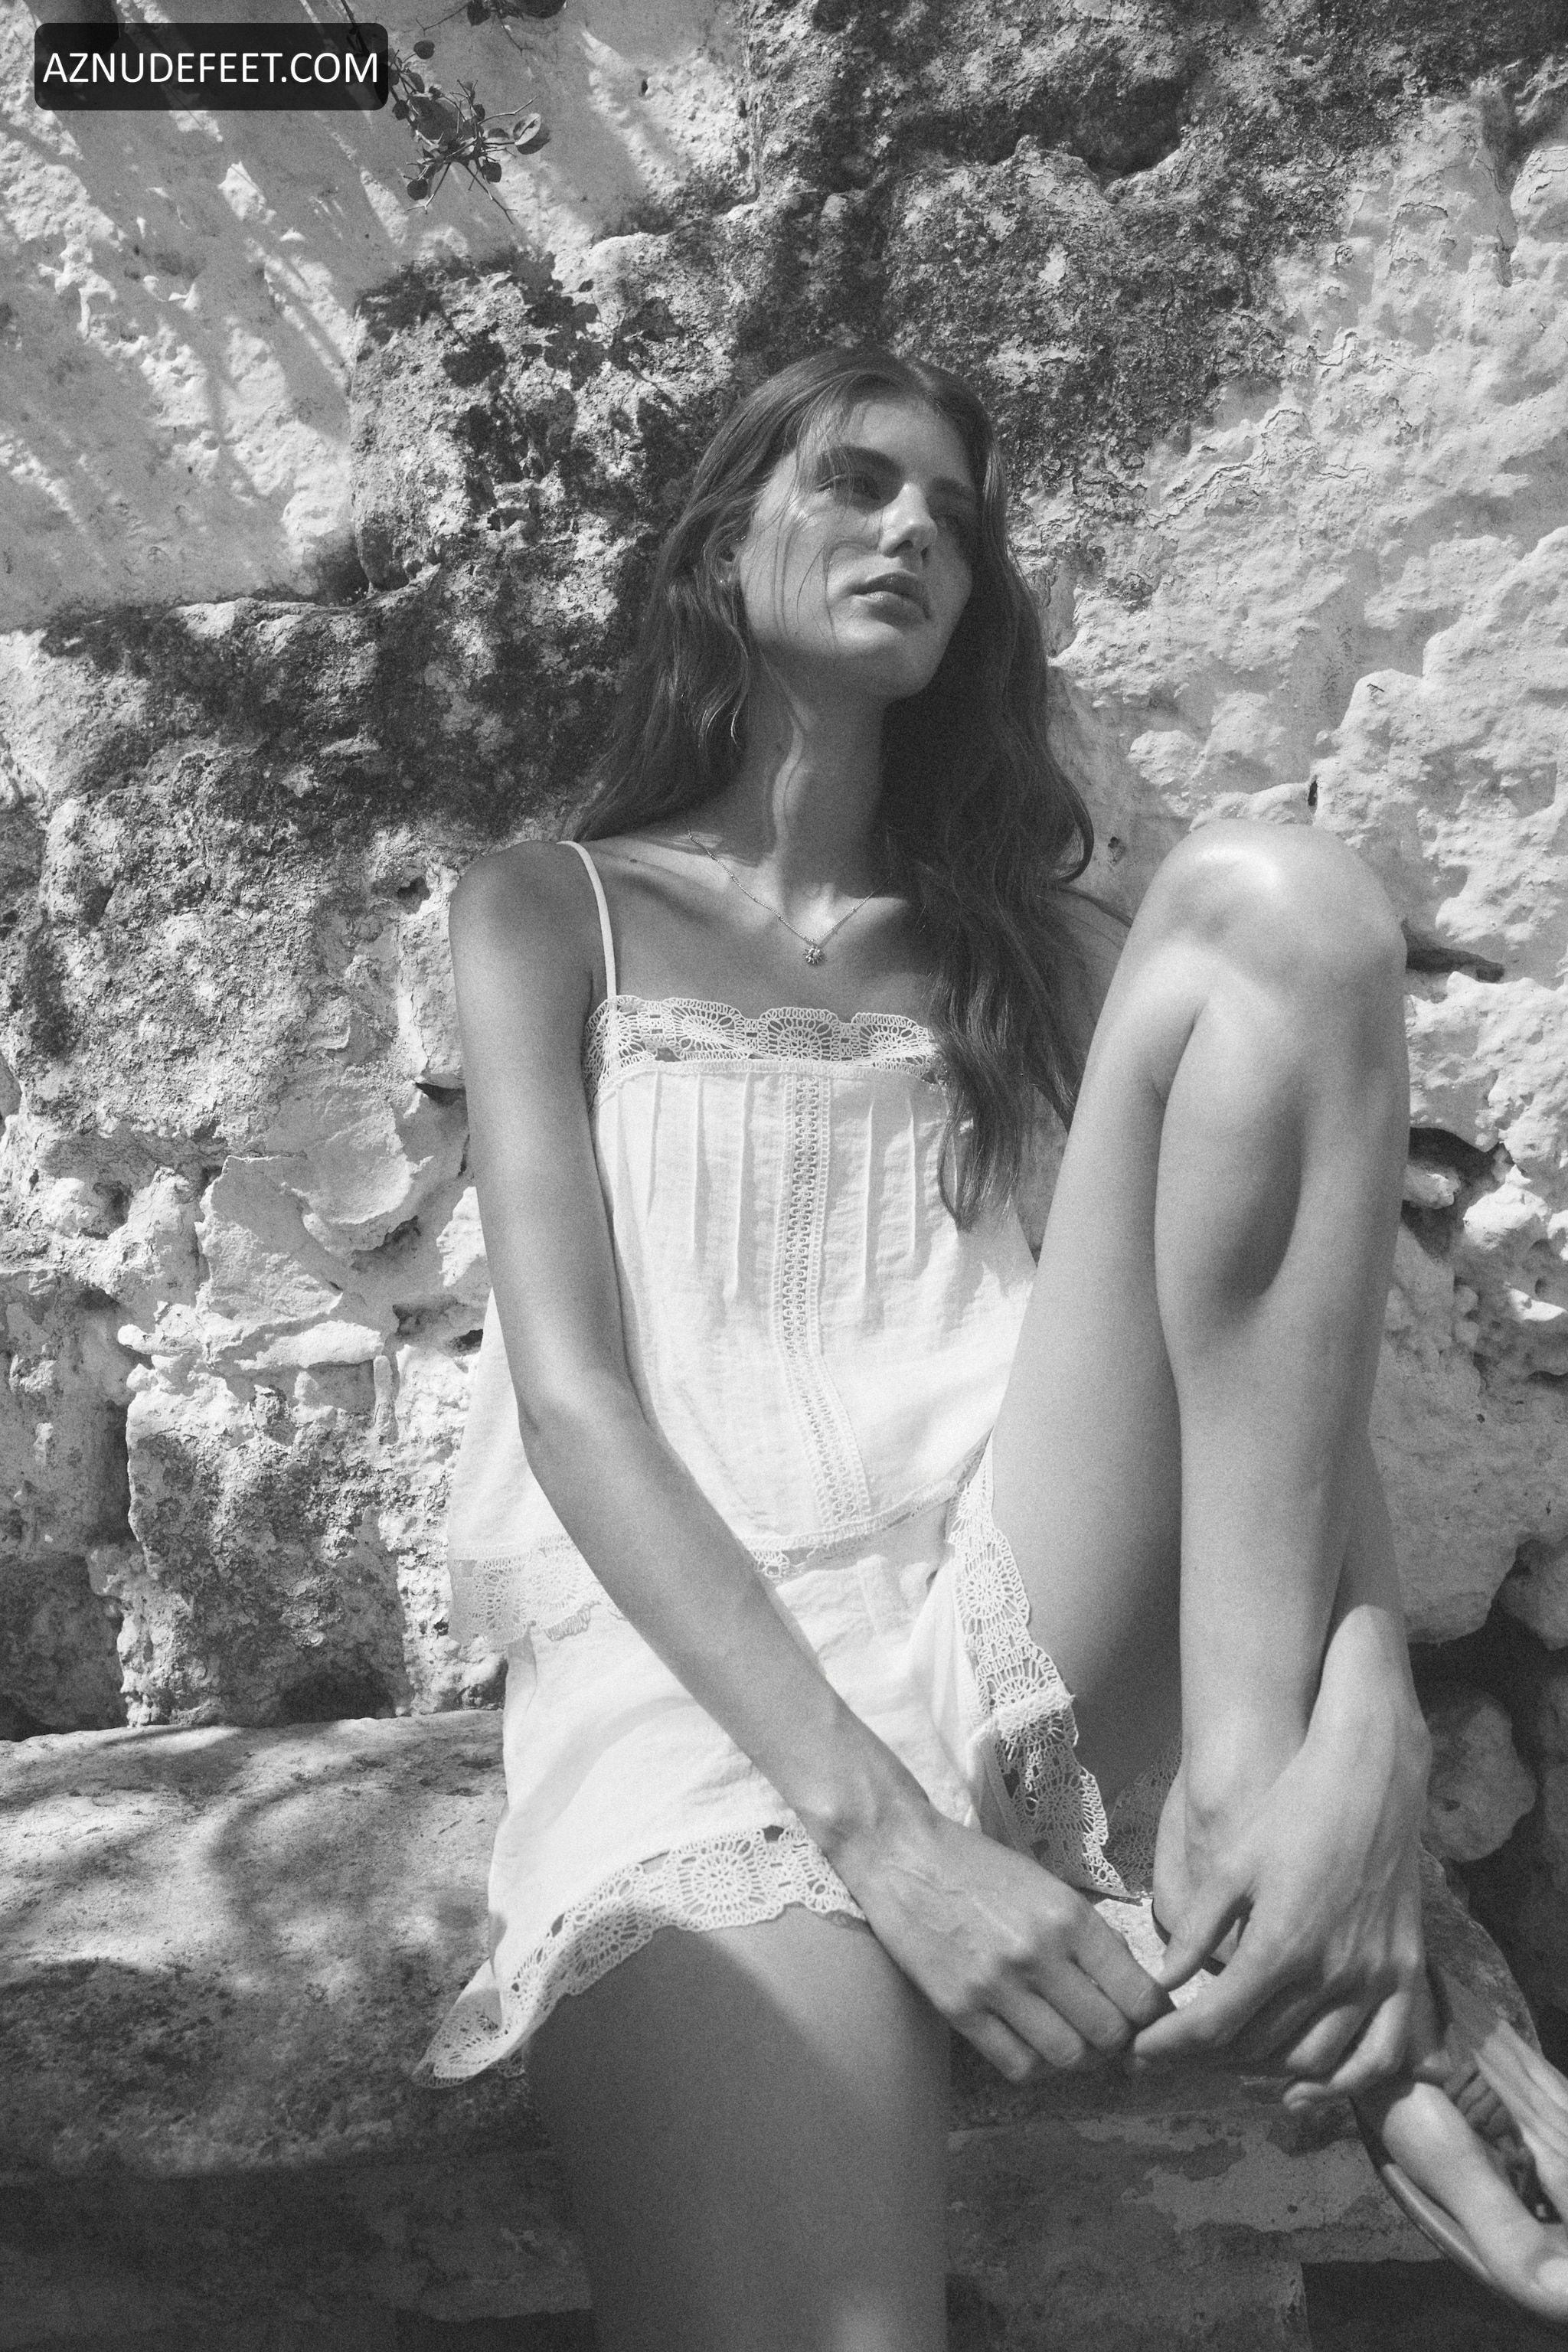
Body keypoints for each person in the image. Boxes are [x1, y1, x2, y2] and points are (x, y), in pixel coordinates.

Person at [420, 345, 1568, 2347]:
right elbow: (577, 1407)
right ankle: (1272, 1912)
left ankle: (1232, 1804)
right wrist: (894, 1846)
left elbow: (1263, 1364)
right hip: (707, 1697)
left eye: (951, 520)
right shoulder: (548, 911)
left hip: (1017, 1616)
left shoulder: (1025, 942)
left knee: (1282, 903)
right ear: (718, 548)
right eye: (856, 485)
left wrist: (1364, 1733)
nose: (912, 536)